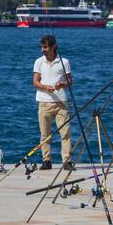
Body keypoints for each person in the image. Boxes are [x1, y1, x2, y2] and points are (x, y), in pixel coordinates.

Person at [33, 35, 75, 171]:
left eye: (45, 47)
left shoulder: (64, 62)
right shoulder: (39, 62)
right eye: (42, 47)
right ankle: (46, 160)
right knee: (45, 134)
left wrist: (63, 84)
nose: (43, 50)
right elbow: (35, 82)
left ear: (53, 47)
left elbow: (70, 81)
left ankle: (67, 161)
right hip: (44, 102)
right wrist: (45, 87)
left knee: (65, 133)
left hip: (61, 103)